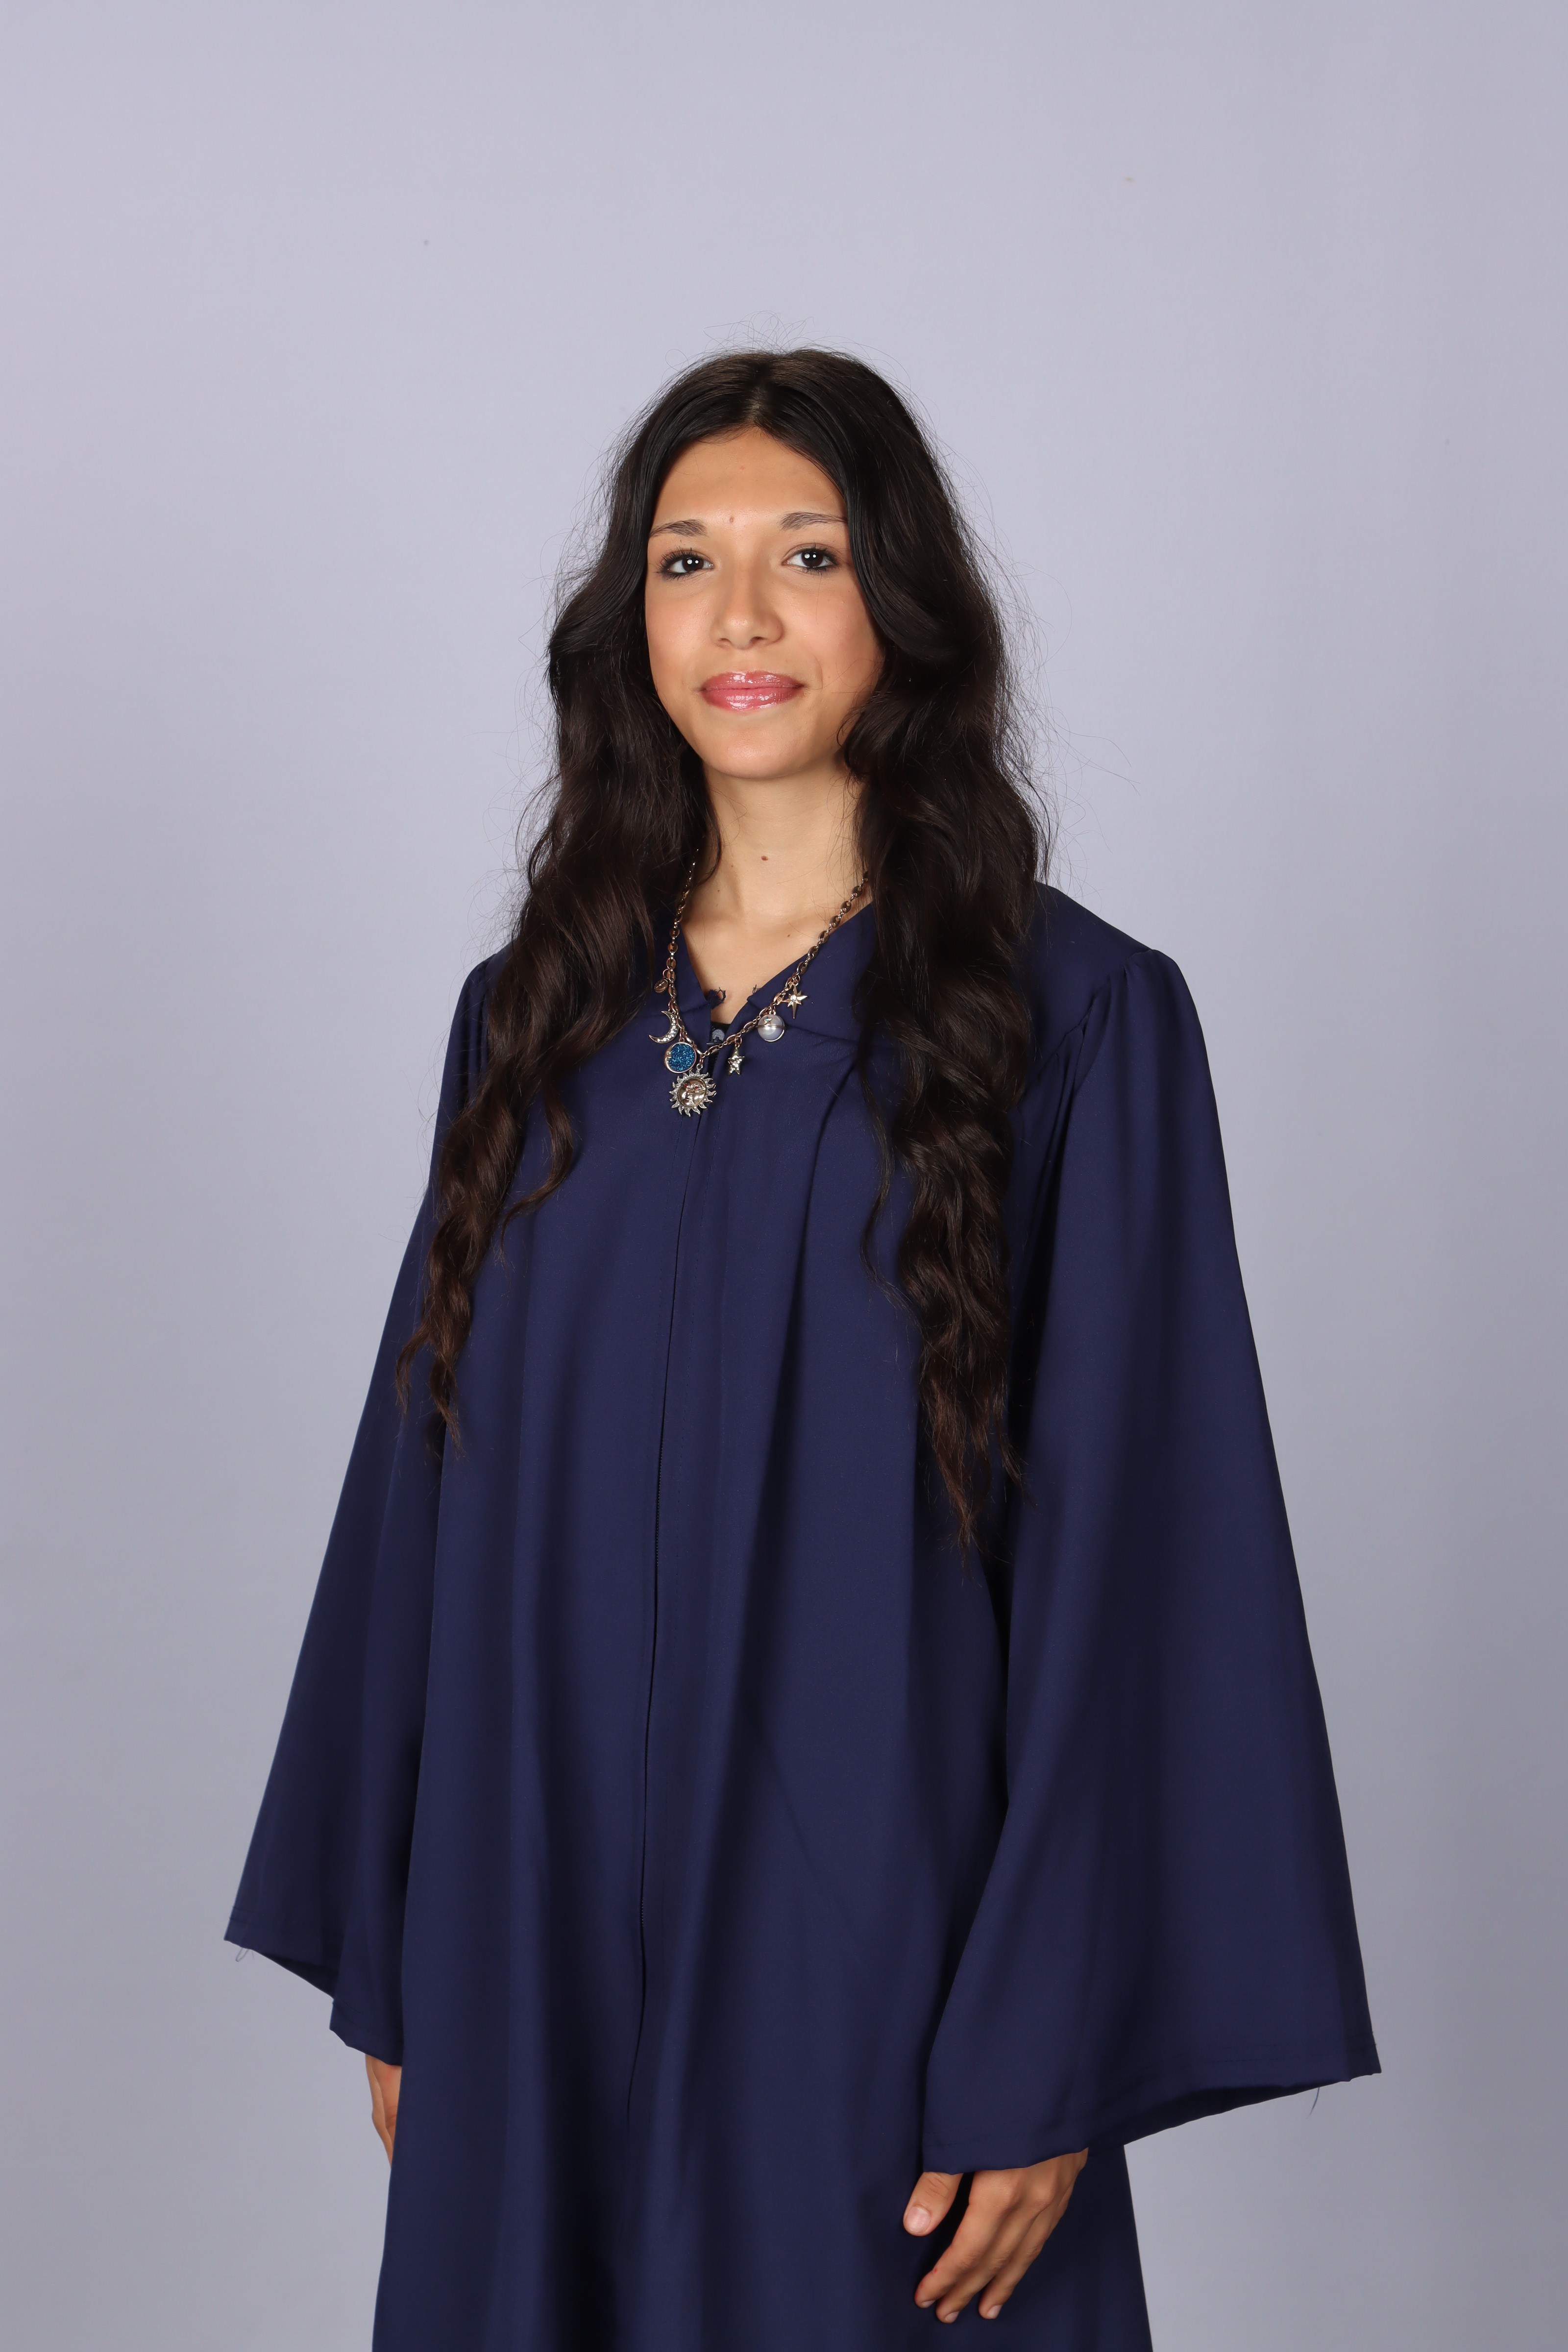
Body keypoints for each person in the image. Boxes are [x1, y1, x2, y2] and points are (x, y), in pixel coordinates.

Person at [227, 349, 1377, 2349]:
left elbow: (1135, 1555)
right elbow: (419, 1495)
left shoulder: (1070, 1024)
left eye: (807, 556)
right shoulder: (533, 1020)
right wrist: (405, 1946)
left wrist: (1045, 2041)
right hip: (530, 1931)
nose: (739, 616)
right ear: (632, 622)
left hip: (876, 1960)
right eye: (686, 562)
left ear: (901, 607)